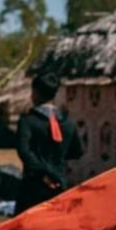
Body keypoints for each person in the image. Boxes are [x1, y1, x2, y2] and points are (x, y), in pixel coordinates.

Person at [15, 71, 83, 214]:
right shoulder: (68, 123)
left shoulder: (28, 121)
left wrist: (43, 173)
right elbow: (77, 152)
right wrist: (57, 156)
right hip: (59, 184)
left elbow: (24, 151)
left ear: (35, 92)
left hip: (33, 186)